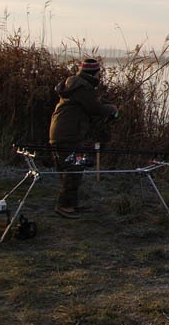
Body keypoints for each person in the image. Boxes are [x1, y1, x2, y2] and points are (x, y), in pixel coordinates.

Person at [48, 58, 119, 219]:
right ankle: (64, 206)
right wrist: (112, 109)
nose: (100, 76)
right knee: (74, 169)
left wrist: (101, 104)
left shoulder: (75, 84)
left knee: (74, 168)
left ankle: (71, 203)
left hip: (62, 133)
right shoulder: (82, 87)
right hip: (68, 135)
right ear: (93, 73)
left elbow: (88, 104)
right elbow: (96, 109)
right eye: (99, 73)